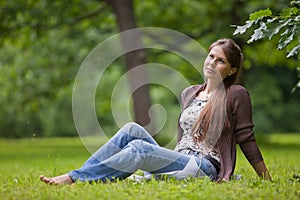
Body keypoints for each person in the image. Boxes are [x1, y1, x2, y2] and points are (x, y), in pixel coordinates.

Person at [40, 38, 271, 185]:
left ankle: (74, 178)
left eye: (220, 61)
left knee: (139, 149)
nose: (212, 62)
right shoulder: (190, 93)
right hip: (182, 158)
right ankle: (82, 172)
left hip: (204, 166)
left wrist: (266, 180)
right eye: (211, 56)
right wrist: (166, 159)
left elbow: (246, 139)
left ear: (231, 70)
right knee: (132, 130)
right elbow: (184, 138)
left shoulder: (236, 94)